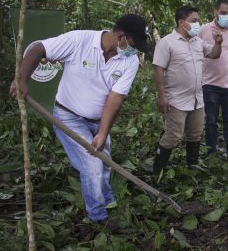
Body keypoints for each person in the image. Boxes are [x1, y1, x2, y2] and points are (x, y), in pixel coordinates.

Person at [10, 14, 148, 233]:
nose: (135, 50)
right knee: (92, 163)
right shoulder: (80, 40)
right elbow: (39, 49)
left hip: (98, 119)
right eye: (133, 44)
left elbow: (116, 97)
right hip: (68, 116)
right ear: (121, 36)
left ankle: (108, 201)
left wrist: (103, 133)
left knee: (104, 163)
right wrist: (22, 79)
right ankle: (98, 218)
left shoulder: (129, 60)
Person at [152, 6, 222, 174]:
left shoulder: (197, 41)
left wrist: (218, 43)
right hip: (176, 99)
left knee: (195, 133)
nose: (197, 23)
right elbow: (158, 70)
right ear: (181, 22)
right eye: (193, 20)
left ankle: (192, 166)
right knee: (173, 136)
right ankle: (157, 171)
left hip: (197, 98)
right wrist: (162, 97)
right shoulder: (167, 43)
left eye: (198, 20)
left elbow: (214, 54)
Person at [199, 0, 228, 163]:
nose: (227, 16)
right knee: (210, 121)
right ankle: (211, 152)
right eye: (223, 13)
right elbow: (197, 51)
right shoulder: (204, 30)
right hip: (209, 84)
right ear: (215, 12)